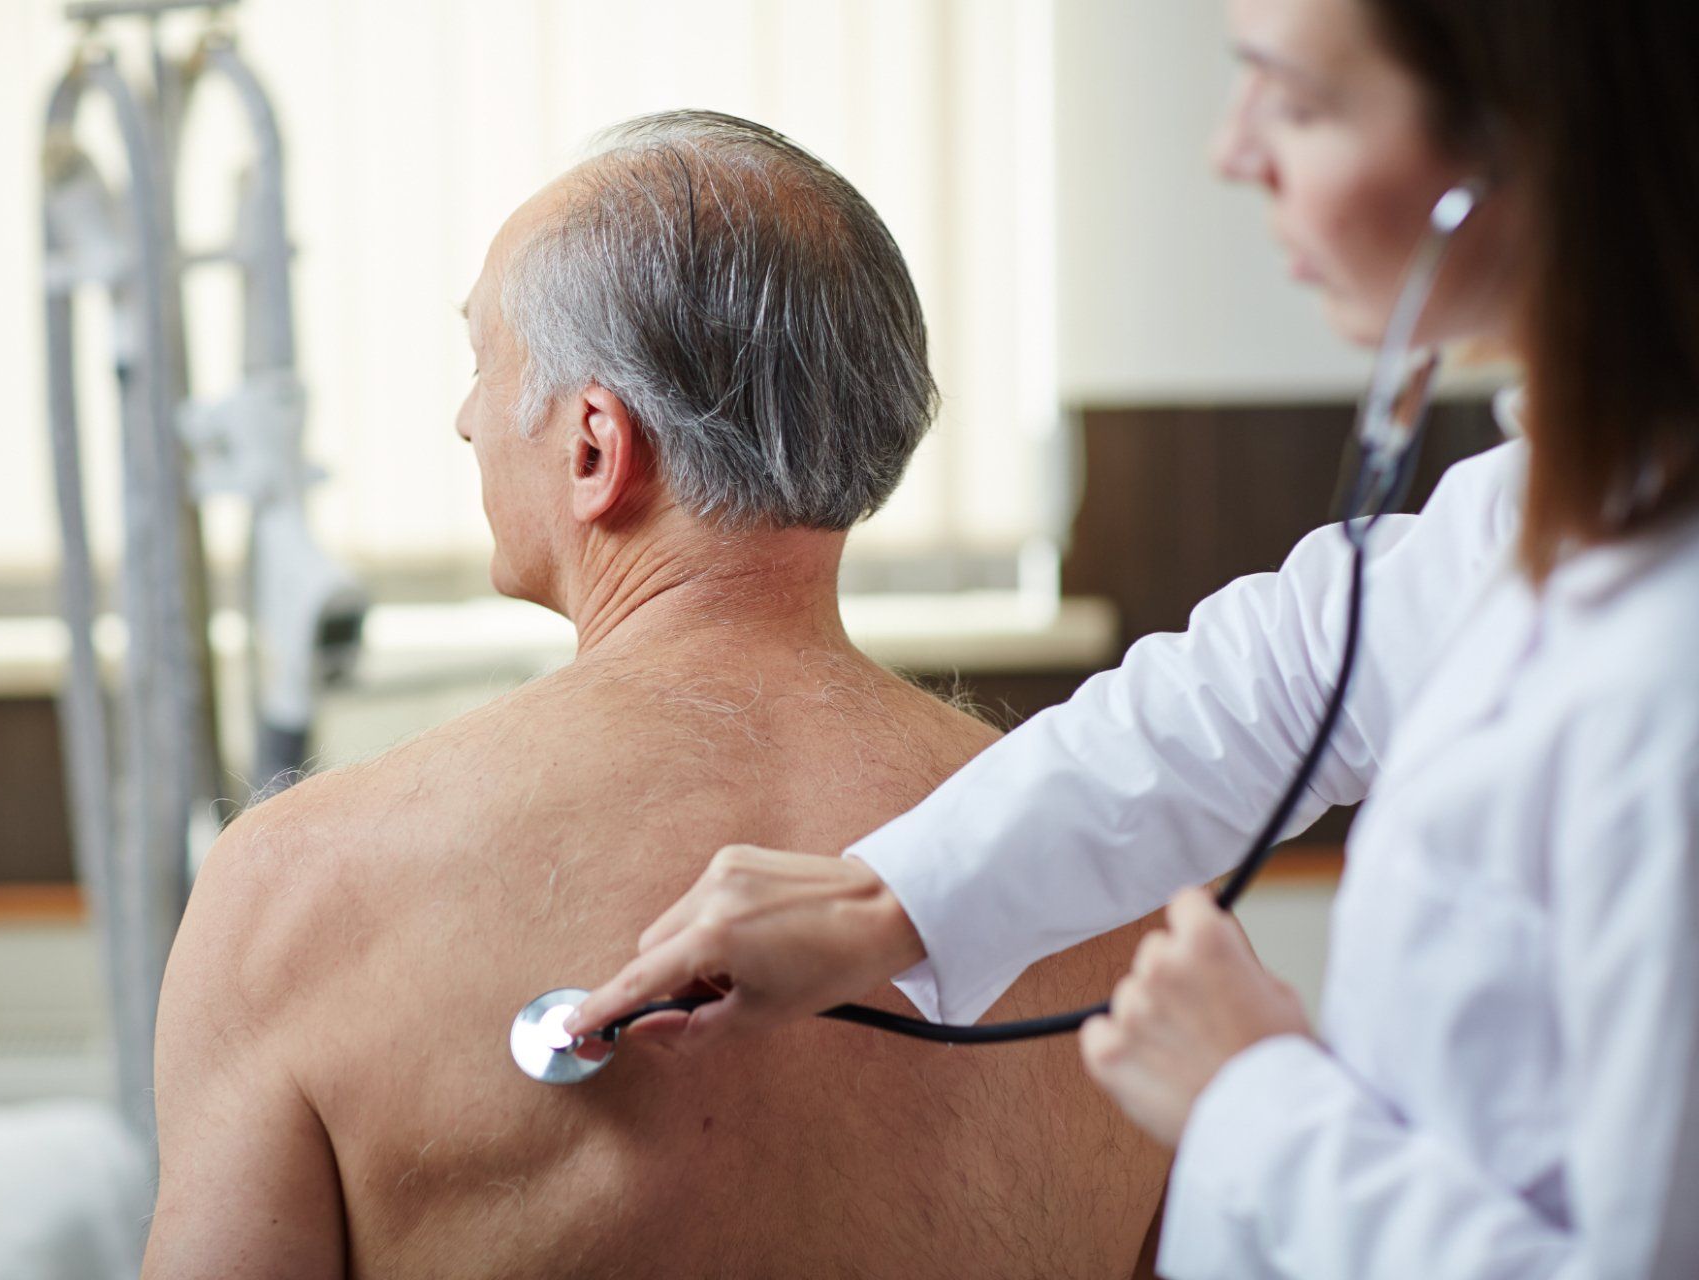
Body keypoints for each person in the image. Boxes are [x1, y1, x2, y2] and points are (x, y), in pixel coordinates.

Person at [571, 2, 1699, 1276]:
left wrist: (1251, 1097)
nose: (1233, 149)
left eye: (1299, 101)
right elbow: (1267, 683)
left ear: (1527, 142)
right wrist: (889, 898)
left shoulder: (1666, 667)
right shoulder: (1546, 508)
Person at [141, 112, 1170, 1279]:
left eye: (483, 364)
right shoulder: (1130, 900)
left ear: (595, 444)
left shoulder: (295, 890)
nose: (467, 418)